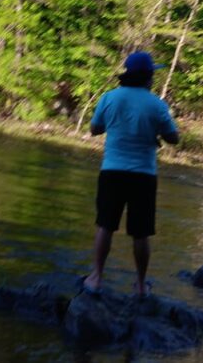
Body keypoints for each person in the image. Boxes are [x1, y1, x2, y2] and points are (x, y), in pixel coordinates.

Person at [83, 51, 179, 297]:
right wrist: (154, 132)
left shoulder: (109, 97)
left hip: (112, 171)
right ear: (148, 77)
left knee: (105, 226)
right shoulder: (157, 104)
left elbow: (95, 129)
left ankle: (96, 278)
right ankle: (140, 284)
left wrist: (116, 125)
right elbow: (173, 138)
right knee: (141, 233)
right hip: (143, 175)